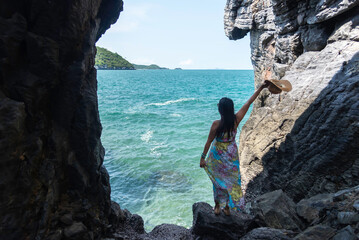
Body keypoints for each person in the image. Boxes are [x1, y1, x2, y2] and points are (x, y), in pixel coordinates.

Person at [200, 81, 269, 215]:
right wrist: (261, 87)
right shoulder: (236, 119)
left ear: (220, 110)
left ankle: (218, 206)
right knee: (232, 181)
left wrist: (203, 158)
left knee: (218, 182)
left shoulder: (216, 124)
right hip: (231, 156)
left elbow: (208, 142)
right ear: (231, 109)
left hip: (217, 156)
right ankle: (227, 207)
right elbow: (248, 103)